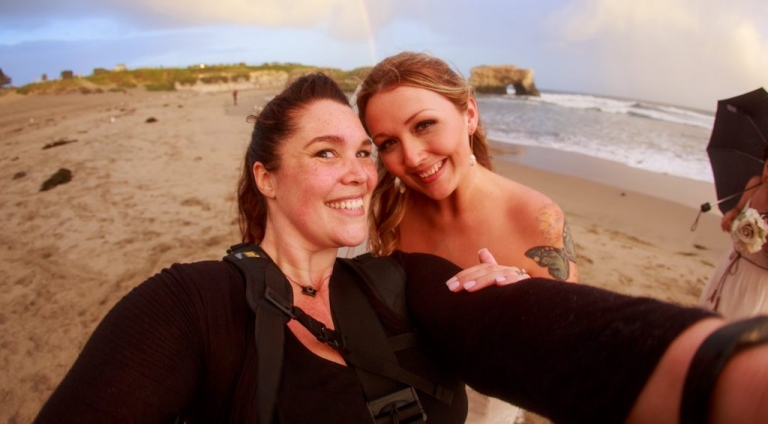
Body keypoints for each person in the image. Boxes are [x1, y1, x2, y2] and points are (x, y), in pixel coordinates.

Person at [33, 73, 768, 424]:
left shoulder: (401, 284)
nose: (366, 167)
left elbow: (566, 340)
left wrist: (729, 369)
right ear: (265, 174)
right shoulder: (187, 306)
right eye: (332, 151)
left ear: (466, 115)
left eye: (362, 151)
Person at [355, 51, 578, 284]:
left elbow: (571, 320)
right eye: (388, 143)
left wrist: (524, 295)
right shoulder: (393, 215)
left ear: (469, 116)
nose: (411, 158)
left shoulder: (539, 219)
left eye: (424, 125)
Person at [700, 145, 768, 318]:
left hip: (756, 280)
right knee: (709, 316)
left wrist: (761, 240)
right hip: (731, 264)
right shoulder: (755, 184)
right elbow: (738, 209)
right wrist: (732, 216)